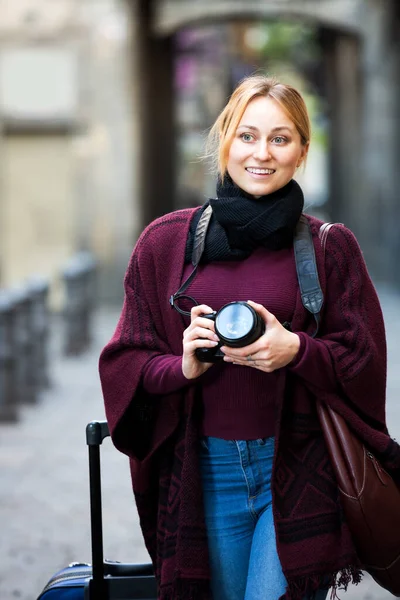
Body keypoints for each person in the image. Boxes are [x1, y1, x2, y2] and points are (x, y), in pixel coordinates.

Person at [99, 74, 400, 600]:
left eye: (281, 139)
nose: (262, 153)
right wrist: (183, 364)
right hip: (204, 470)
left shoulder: (331, 248)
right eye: (248, 135)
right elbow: (125, 359)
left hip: (302, 465)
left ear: (302, 151)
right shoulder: (165, 243)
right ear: (225, 142)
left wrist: (297, 350)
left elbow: (364, 360)